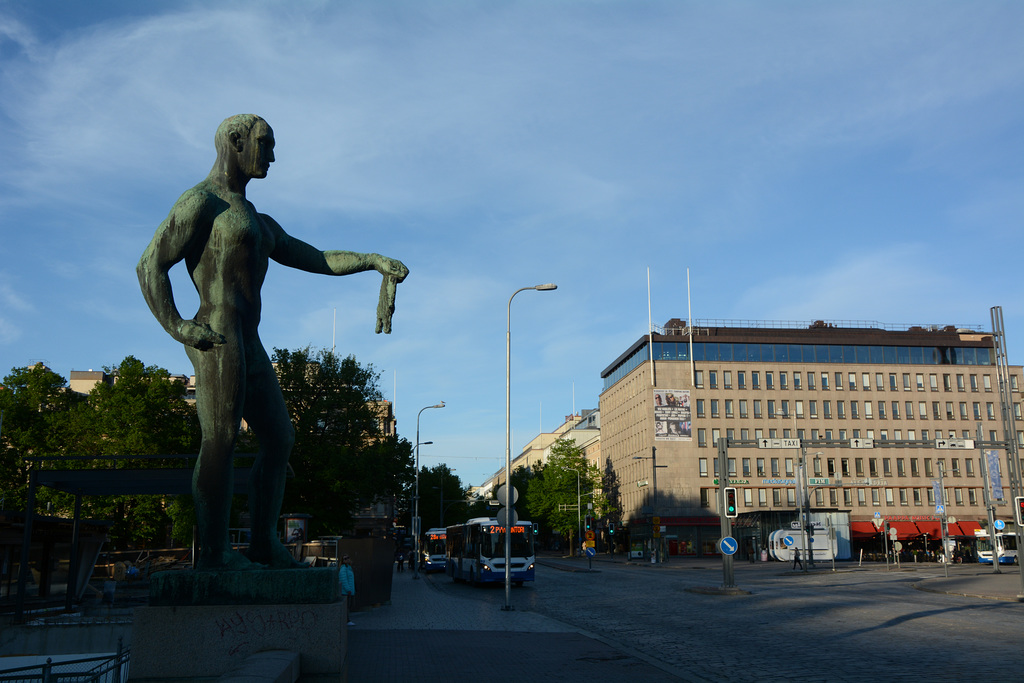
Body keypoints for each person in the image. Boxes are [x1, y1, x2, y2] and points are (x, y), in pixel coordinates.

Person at [137, 114, 409, 571]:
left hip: (249, 340)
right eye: (266, 144)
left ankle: (262, 543)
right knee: (220, 438)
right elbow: (150, 266)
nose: (273, 156)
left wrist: (373, 261)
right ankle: (214, 554)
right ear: (236, 142)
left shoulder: (259, 222)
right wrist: (179, 326)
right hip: (216, 335)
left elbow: (317, 257)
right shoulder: (200, 202)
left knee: (280, 438)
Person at [338, 554, 355, 626]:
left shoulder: (348, 567)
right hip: (346, 591)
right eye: (345, 559)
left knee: (348, 606)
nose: (347, 559)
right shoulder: (343, 568)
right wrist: (348, 589)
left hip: (349, 590)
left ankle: (346, 620)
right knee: (346, 607)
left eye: (347, 558)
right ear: (342, 561)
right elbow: (343, 580)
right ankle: (346, 620)